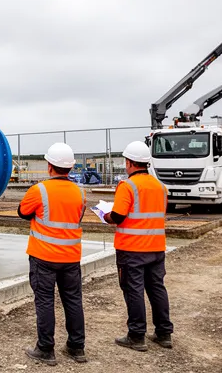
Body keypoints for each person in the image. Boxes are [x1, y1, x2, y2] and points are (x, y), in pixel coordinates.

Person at [18, 142, 88, 365]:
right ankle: (77, 348)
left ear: (50, 166)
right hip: (71, 257)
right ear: (70, 168)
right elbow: (77, 217)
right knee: (73, 300)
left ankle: (46, 349)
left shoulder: (38, 191)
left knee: (45, 302)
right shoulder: (80, 192)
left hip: (44, 257)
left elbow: (22, 212)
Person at [104, 141, 174, 352]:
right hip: (156, 247)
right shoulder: (160, 186)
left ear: (129, 162)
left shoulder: (128, 186)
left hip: (132, 249)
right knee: (157, 288)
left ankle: (136, 335)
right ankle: (164, 333)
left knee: (133, 290)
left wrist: (105, 215)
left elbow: (117, 216)